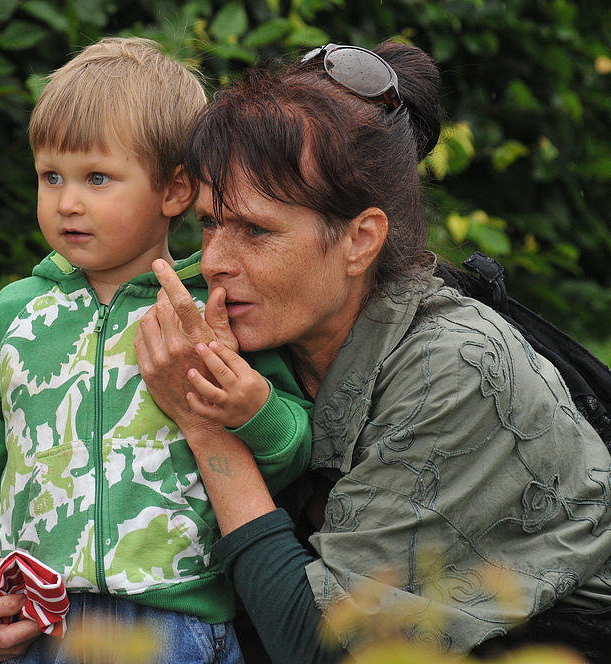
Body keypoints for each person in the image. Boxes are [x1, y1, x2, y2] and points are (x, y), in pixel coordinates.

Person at [130, 40, 611, 663]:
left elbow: (325, 646)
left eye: (255, 230)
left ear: (360, 240)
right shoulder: (266, 345)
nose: (216, 261)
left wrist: (205, 424)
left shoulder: (452, 369)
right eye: (211, 223)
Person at [0, 37, 314, 663]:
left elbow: (290, 453)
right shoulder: (14, 316)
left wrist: (253, 406)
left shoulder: (208, 311)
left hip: (174, 627)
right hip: (36, 624)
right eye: (51, 177)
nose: (68, 202)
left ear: (175, 191)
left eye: (98, 178)